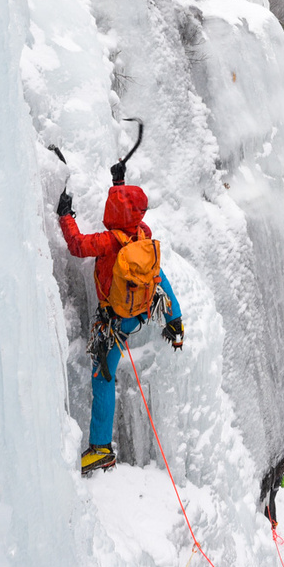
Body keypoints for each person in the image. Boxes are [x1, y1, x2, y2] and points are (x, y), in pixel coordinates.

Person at [56, 161, 183, 474]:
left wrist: (64, 216)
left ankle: (100, 448)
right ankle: (100, 447)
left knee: (103, 379)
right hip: (136, 317)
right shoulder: (143, 234)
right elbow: (159, 278)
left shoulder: (107, 242)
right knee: (106, 373)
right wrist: (173, 318)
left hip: (112, 323)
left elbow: (76, 245)